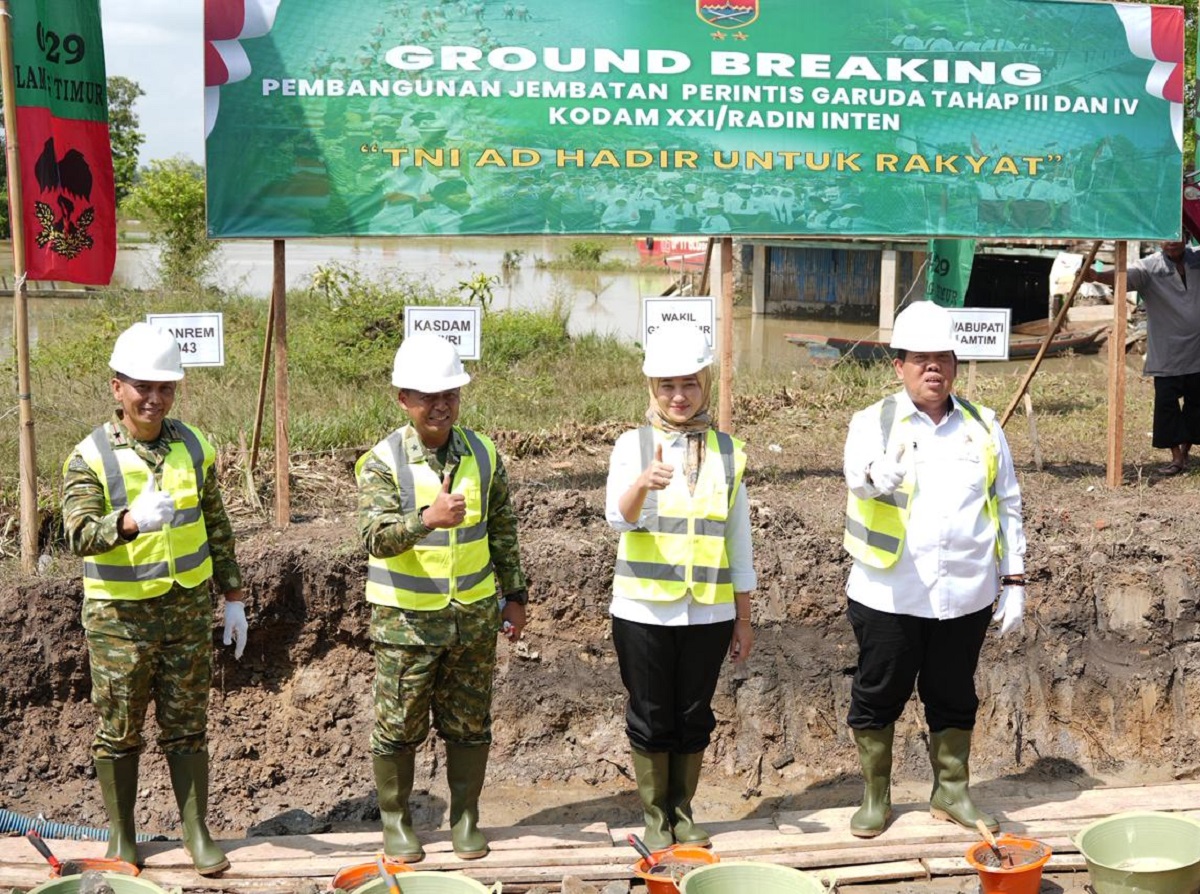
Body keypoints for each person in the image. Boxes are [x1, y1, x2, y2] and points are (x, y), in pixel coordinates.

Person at [61, 322, 248, 876]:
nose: (154, 398)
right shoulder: (89, 456)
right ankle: (123, 838)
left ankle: (196, 831)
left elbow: (217, 524)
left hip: (186, 610)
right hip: (119, 619)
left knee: (188, 724)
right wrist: (127, 522)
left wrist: (233, 595)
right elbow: (75, 534)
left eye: (165, 387)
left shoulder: (193, 446)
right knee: (119, 729)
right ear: (117, 387)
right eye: (142, 386)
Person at [841, 301, 1026, 838]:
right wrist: (880, 473)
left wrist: (1014, 581)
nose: (933, 369)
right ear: (898, 365)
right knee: (879, 693)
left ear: (955, 363)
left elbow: (1007, 502)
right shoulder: (872, 422)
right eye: (920, 358)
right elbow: (858, 475)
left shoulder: (983, 426)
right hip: (889, 594)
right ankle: (876, 796)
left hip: (966, 594)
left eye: (942, 357)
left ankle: (951, 791)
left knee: (953, 693)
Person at [356, 332, 528, 862]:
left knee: (470, 723)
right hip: (407, 623)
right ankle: (396, 822)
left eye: (450, 393)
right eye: (427, 395)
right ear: (403, 400)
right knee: (398, 724)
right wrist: (425, 520)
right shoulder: (382, 461)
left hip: (473, 620)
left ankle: (466, 818)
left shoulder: (483, 453)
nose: (440, 405)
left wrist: (515, 594)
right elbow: (374, 538)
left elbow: (502, 527)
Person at [605, 324, 756, 850]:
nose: (678, 396)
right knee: (650, 714)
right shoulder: (633, 445)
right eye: (667, 385)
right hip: (644, 610)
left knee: (694, 714)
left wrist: (743, 617)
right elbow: (617, 520)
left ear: (706, 385)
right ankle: (654, 816)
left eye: (689, 384)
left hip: (708, 613)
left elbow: (738, 540)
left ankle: (683, 811)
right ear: (651, 387)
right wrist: (640, 484)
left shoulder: (730, 452)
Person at [1084, 239, 1200, 475]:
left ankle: (1186, 452)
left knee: (1196, 405)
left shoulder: (1197, 258)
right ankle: (1176, 456)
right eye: (1165, 240)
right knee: (1166, 405)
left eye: (1176, 238)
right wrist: (1095, 275)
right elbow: (1123, 276)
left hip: (1197, 351)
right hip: (1166, 352)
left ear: (1186, 237)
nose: (1171, 244)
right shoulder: (1149, 268)